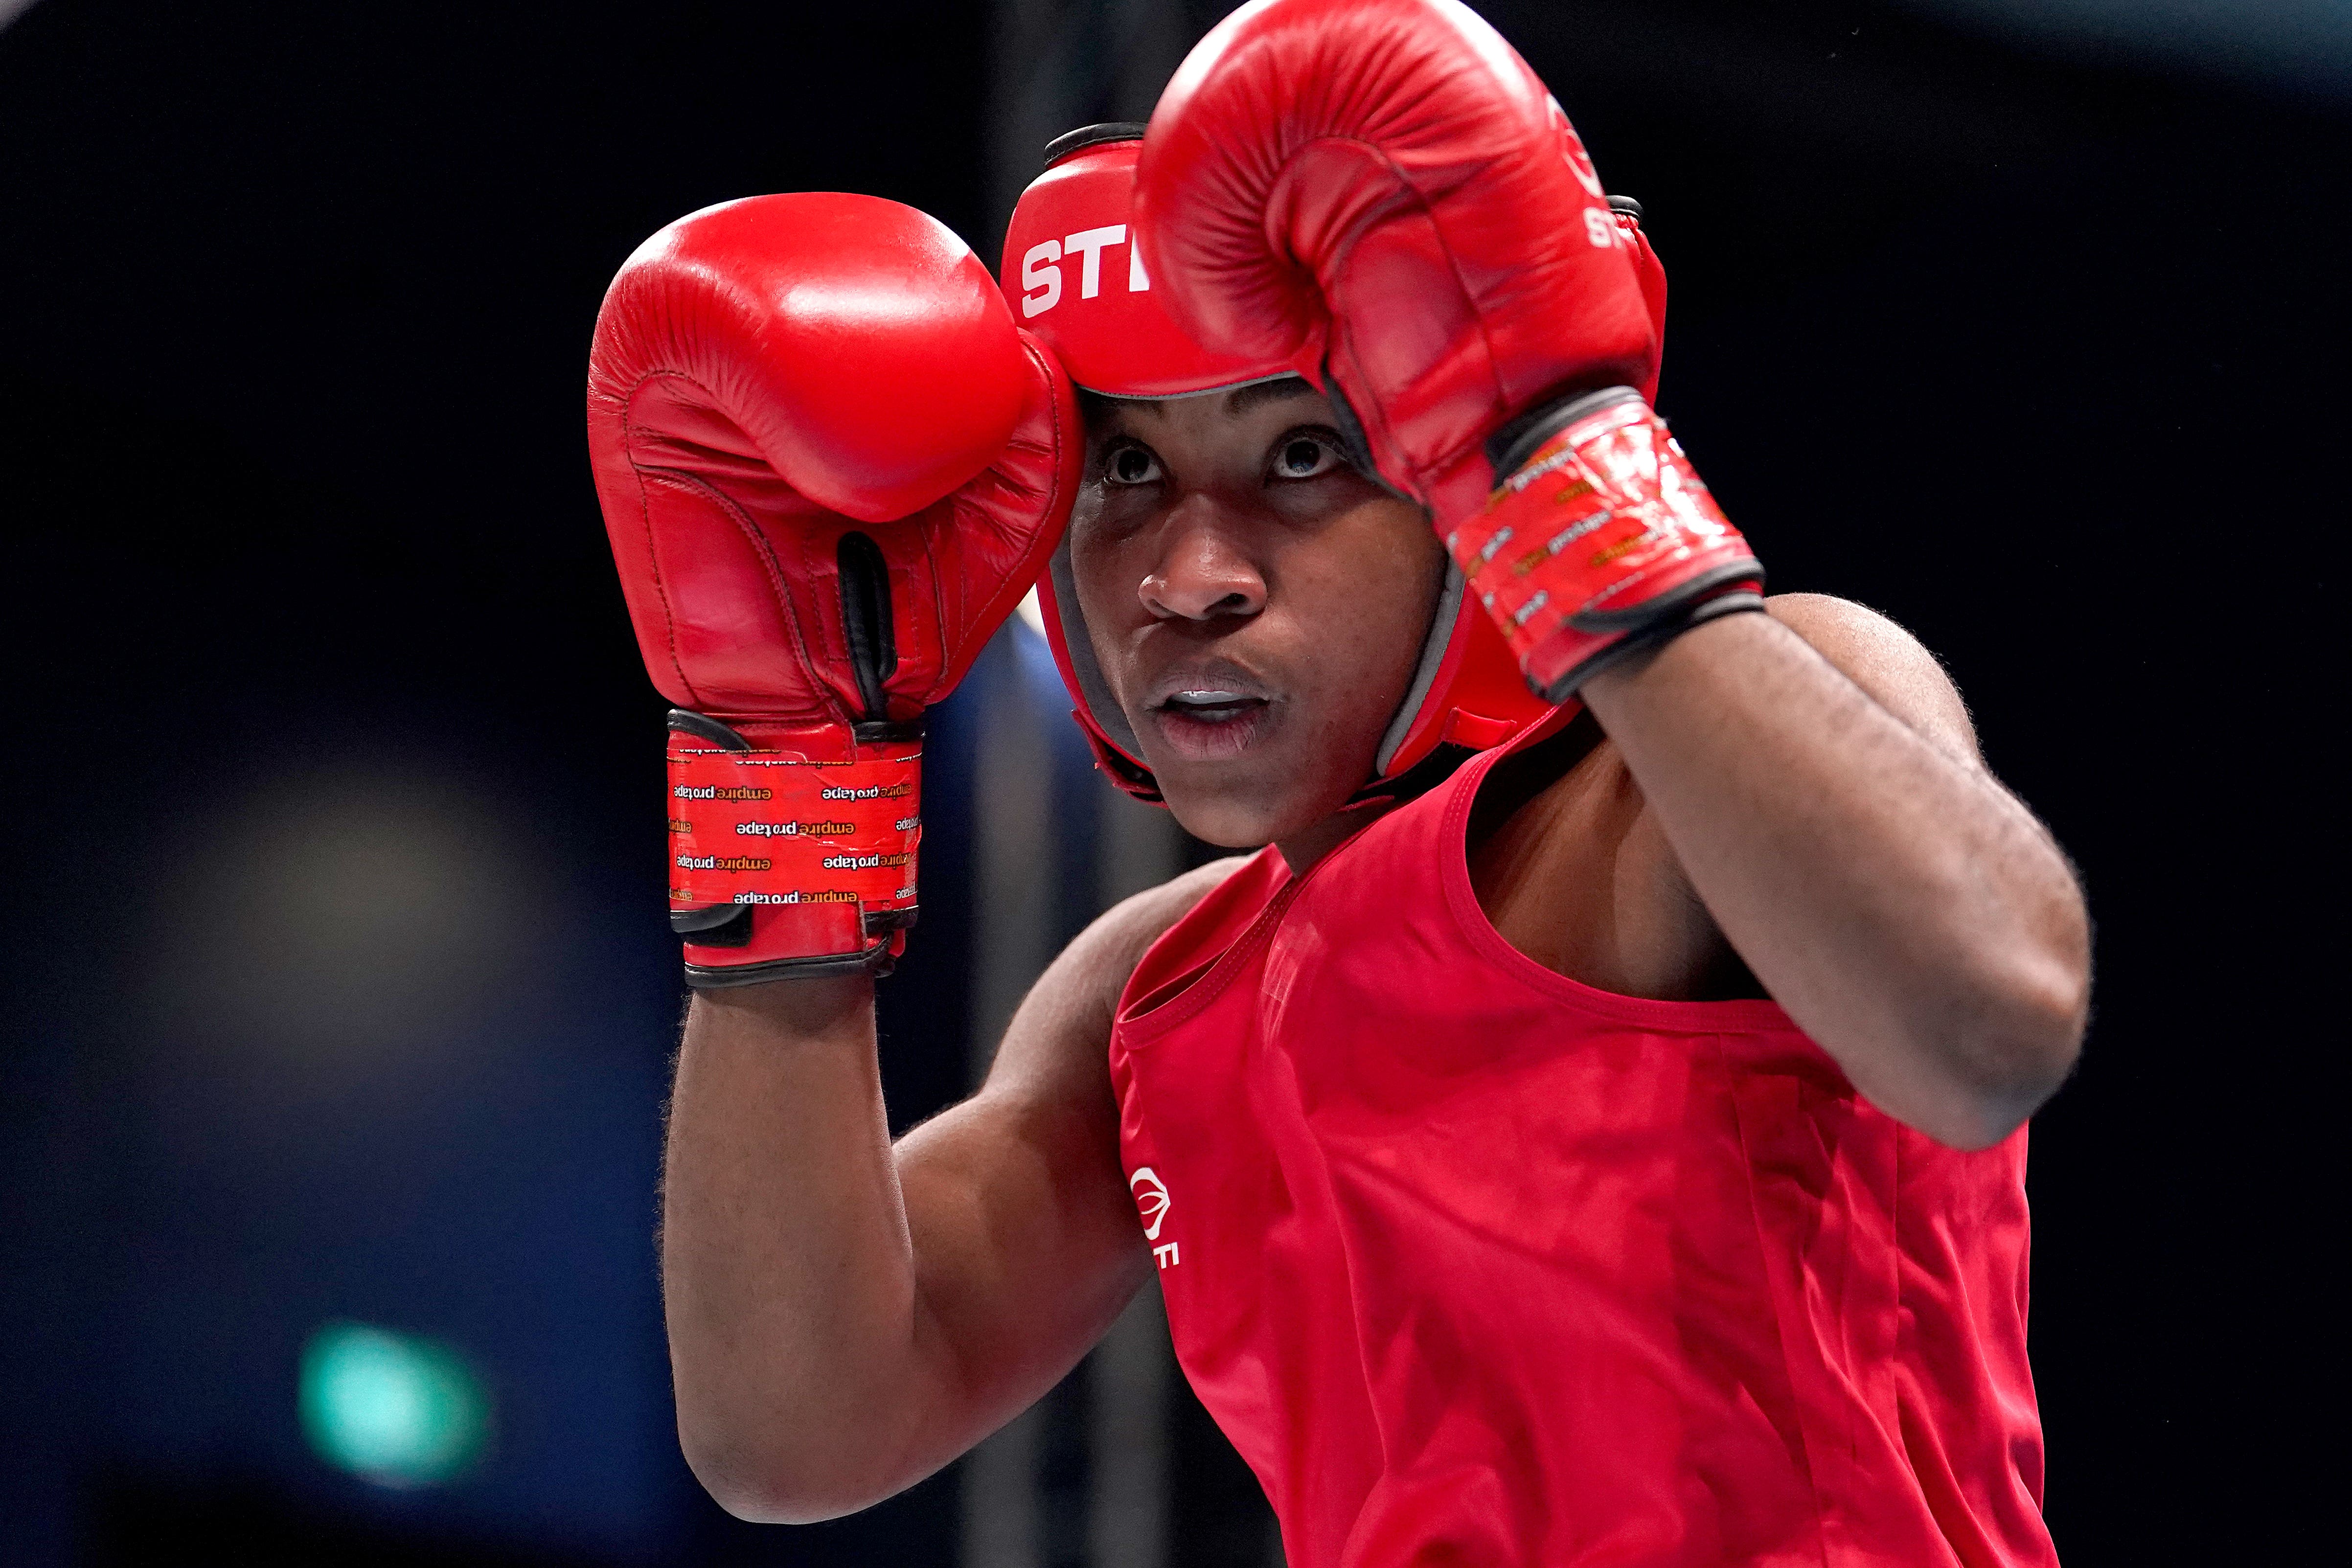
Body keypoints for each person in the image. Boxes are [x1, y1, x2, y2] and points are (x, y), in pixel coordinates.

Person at [585, 1, 2089, 1561]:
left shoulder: (1685, 783)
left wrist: (1568, 468)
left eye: (1303, 456)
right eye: (1125, 470)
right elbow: (793, 1431)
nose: (1193, 573)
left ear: (1452, 460)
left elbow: (1990, 1023)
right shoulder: (1152, 997)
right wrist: (787, 786)